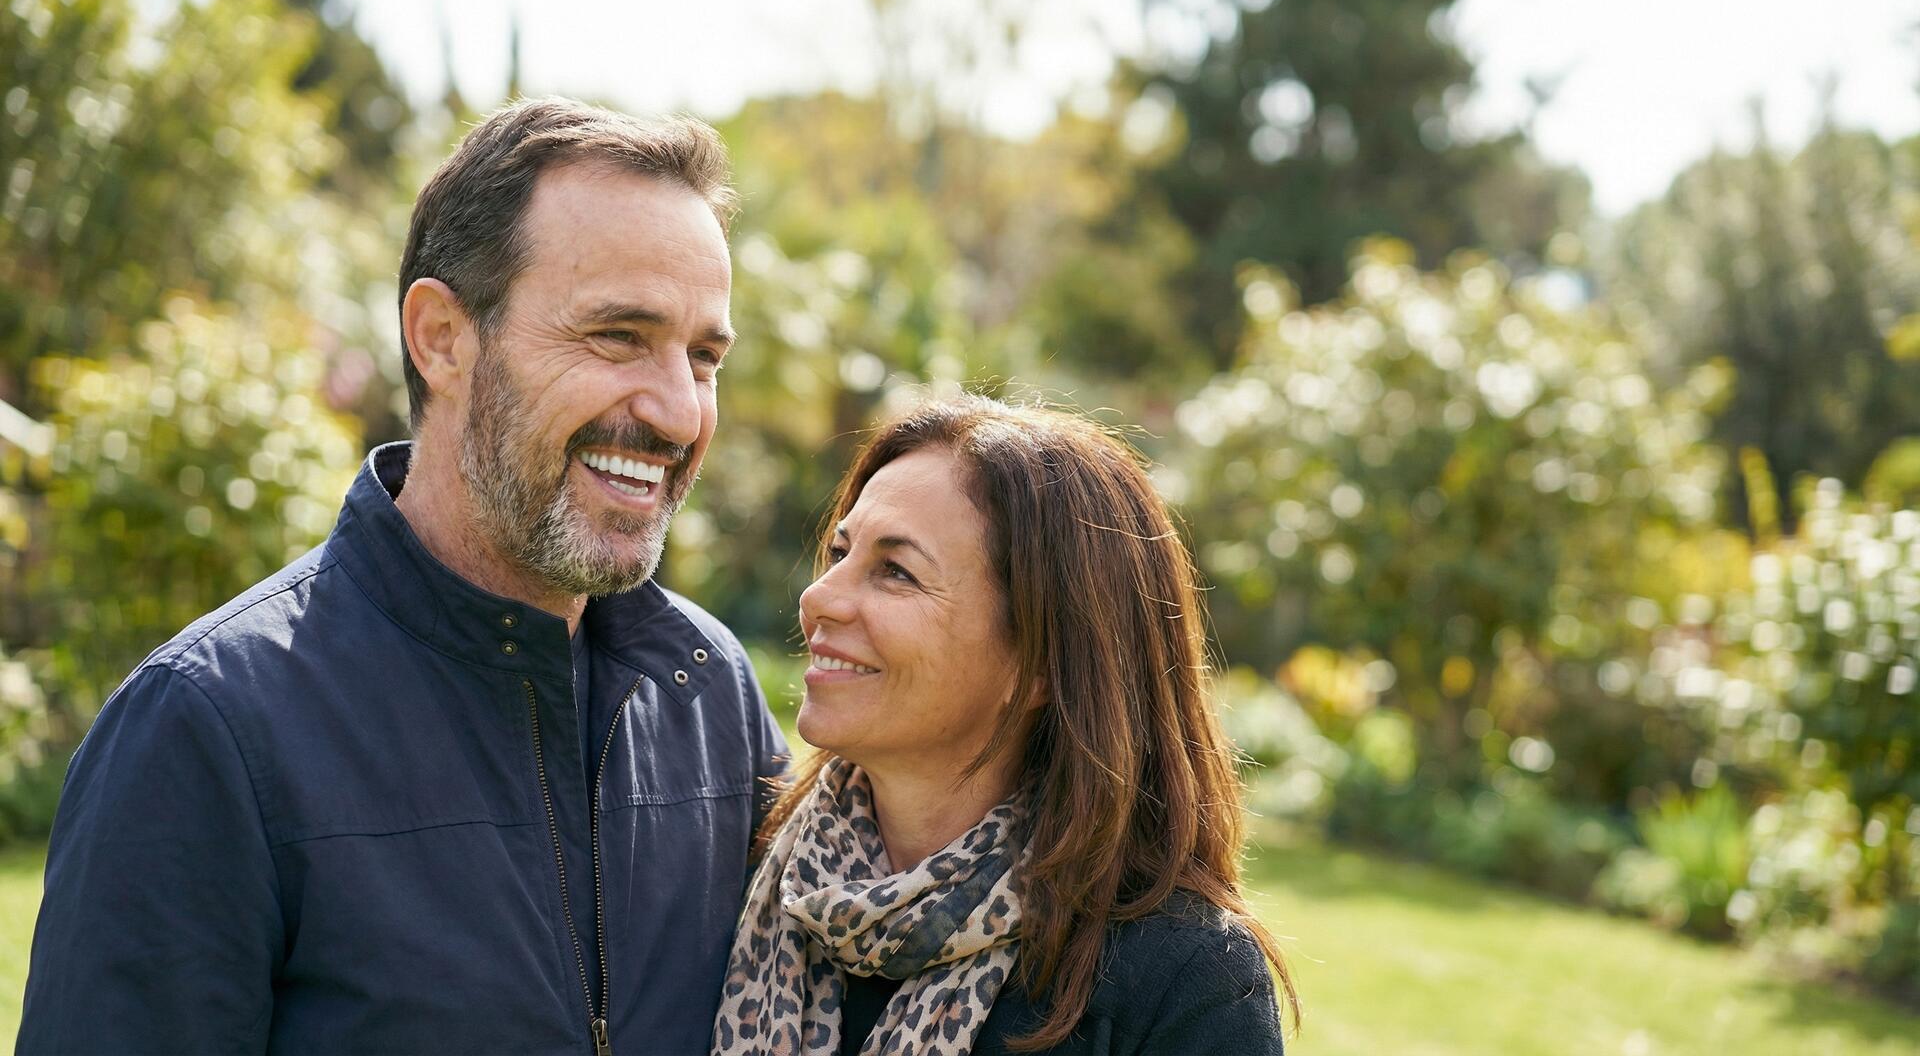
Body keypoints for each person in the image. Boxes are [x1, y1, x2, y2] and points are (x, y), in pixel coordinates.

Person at [19, 97, 788, 1054]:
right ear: (442, 339)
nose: (678, 412)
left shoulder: (709, 694)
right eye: (618, 336)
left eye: (704, 357)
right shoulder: (205, 730)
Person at [712, 395, 1297, 1055]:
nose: (817, 598)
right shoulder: (748, 873)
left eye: (895, 572)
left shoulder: (1183, 980)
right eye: (840, 552)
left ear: (1045, 663)